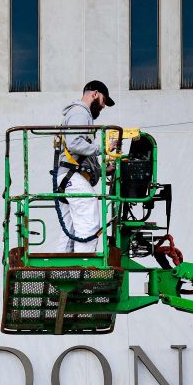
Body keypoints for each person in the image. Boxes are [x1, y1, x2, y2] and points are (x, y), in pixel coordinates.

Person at [55, 80, 115, 254]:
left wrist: (102, 170)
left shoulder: (79, 114)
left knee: (69, 230)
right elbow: (75, 144)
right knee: (89, 222)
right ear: (95, 94)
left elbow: (80, 154)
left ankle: (62, 270)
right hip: (73, 177)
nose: (103, 106)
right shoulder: (80, 112)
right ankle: (83, 266)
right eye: (104, 101)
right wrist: (102, 148)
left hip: (68, 177)